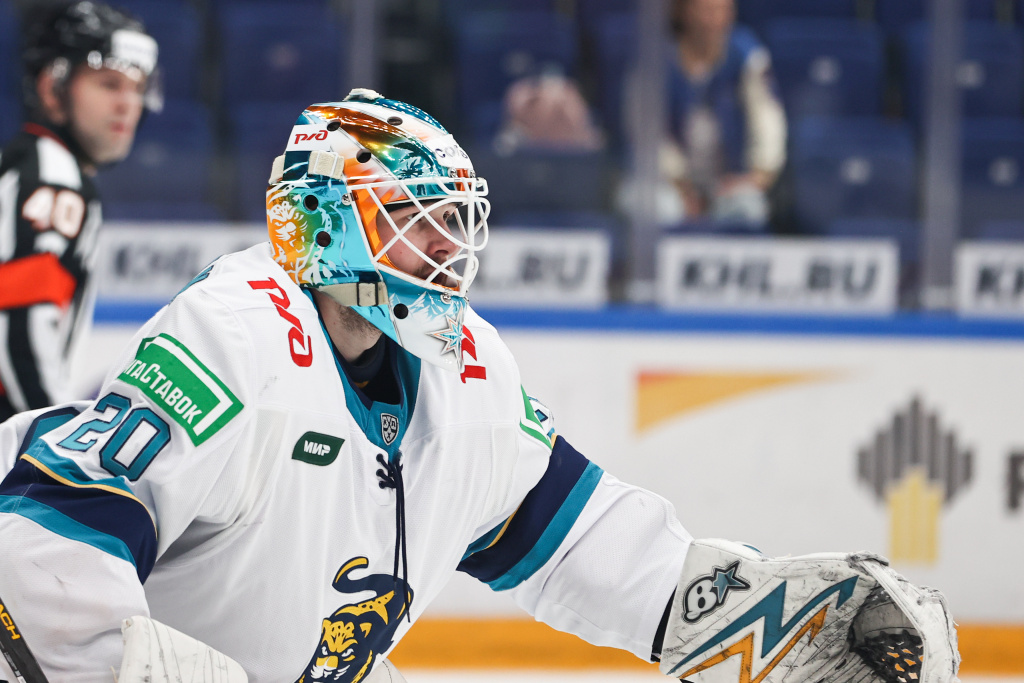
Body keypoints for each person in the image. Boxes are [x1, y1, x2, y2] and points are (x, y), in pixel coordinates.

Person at [0, 90, 956, 682]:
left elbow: (583, 541)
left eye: (456, 223)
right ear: (325, 223)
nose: (449, 249)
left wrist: (772, 621)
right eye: (416, 219)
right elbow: (35, 551)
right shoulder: (235, 334)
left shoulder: (469, 369)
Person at [0, 1, 159, 421]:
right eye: (109, 84)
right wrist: (51, 437)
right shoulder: (53, 178)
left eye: (138, 87)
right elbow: (22, 325)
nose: (128, 104)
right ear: (52, 87)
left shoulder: (25, 167)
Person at [658, 0, 787, 227]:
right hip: (673, 183)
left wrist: (758, 175)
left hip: (730, 181)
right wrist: (680, 184)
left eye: (723, 10)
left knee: (748, 207)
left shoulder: (748, 55)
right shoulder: (658, 59)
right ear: (685, 12)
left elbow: (768, 120)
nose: (716, 21)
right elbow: (649, 132)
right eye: (707, 11)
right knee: (657, 206)